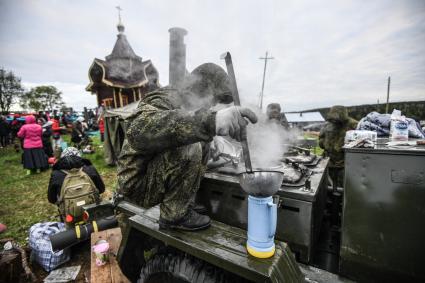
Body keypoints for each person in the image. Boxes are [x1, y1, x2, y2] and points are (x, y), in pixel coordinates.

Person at [117, 63, 258, 231]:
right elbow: (137, 131)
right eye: (213, 98)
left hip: (152, 180)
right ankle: (175, 215)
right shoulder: (166, 97)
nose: (212, 104)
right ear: (201, 87)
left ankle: (183, 204)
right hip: (137, 187)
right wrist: (211, 121)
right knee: (191, 141)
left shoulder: (190, 105)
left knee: (201, 138)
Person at [47, 147, 105, 224]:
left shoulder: (56, 174)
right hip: (92, 212)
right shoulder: (89, 168)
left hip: (69, 216)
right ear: (79, 156)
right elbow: (101, 189)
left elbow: (51, 199)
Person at [319, 105, 358, 188]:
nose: (334, 121)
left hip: (345, 165)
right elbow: (321, 142)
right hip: (328, 163)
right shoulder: (327, 125)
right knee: (327, 187)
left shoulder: (353, 125)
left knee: (343, 188)